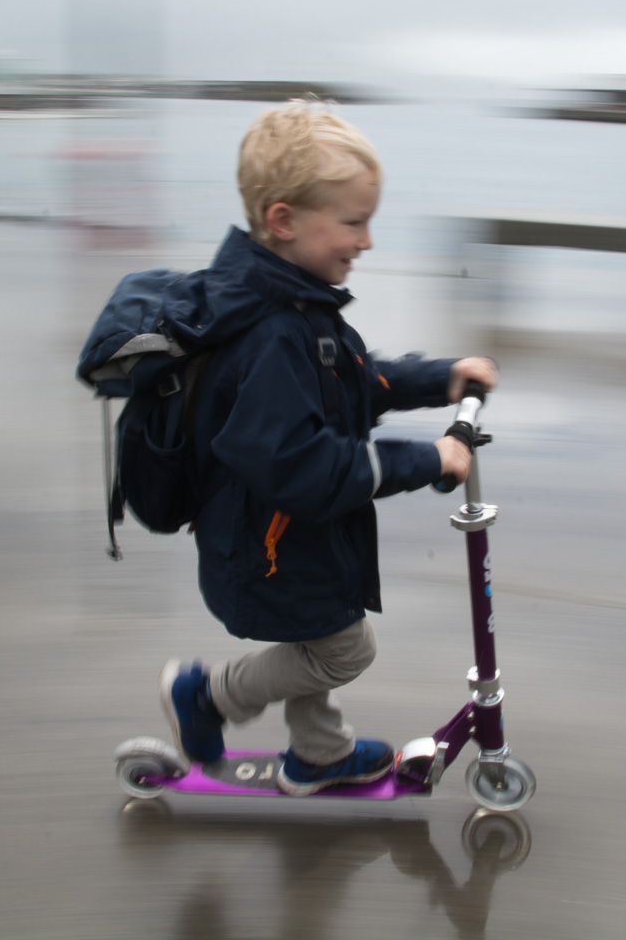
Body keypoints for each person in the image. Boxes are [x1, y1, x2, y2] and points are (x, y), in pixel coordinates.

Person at [155, 101, 497, 796]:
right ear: (284, 221)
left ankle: (318, 754)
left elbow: (355, 381)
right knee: (343, 647)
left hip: (290, 538)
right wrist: (427, 459)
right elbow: (297, 464)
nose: (366, 240)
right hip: (267, 545)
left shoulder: (298, 306)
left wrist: (443, 378)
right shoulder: (272, 331)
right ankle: (208, 695)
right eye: (352, 222)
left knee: (323, 641)